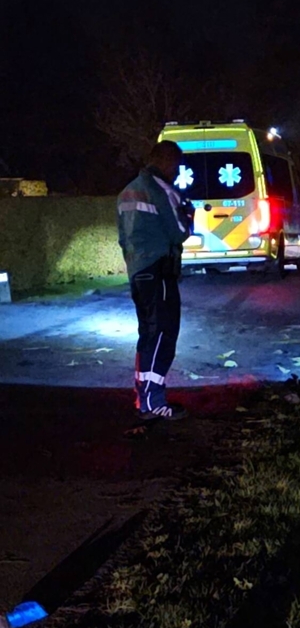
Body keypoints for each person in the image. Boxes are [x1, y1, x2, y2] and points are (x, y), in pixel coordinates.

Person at [116, 141, 193, 420]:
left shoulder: (127, 191)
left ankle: (143, 396)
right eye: (176, 165)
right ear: (167, 161)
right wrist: (189, 214)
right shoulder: (163, 191)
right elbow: (179, 232)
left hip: (138, 271)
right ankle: (153, 402)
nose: (176, 172)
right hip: (160, 270)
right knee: (163, 333)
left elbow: (123, 238)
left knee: (148, 333)